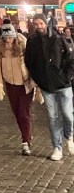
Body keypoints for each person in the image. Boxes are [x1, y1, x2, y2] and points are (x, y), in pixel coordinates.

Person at [24, 13, 74, 161]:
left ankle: (69, 136)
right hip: (46, 86)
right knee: (52, 118)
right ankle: (57, 148)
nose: (39, 26)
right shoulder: (32, 41)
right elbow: (29, 62)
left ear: (45, 23)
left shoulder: (58, 39)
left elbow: (70, 59)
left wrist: (67, 76)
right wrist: (38, 78)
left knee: (67, 114)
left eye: (41, 23)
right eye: (36, 24)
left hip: (63, 84)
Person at [0, 22, 41, 155]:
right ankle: (27, 133)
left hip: (25, 84)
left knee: (24, 113)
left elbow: (33, 65)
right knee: (17, 113)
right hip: (10, 85)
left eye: (11, 37)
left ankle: (25, 142)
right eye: (6, 38)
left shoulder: (23, 46)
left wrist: (37, 84)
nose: (9, 40)